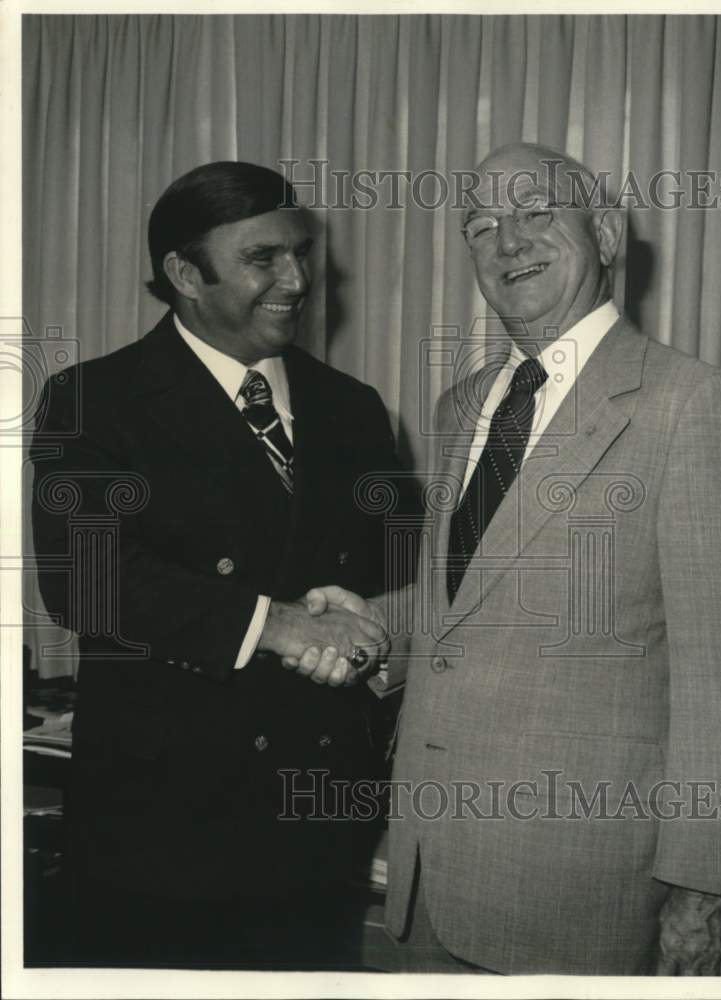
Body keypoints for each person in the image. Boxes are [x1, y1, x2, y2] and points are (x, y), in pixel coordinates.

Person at [301, 143, 721, 974]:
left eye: (535, 214)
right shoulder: (464, 403)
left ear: (603, 233)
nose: (507, 243)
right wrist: (368, 619)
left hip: (587, 898)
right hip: (429, 875)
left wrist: (705, 895)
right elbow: (468, 604)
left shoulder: (695, 404)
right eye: (481, 226)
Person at [30, 161, 408, 969]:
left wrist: (359, 615)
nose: (298, 280)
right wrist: (280, 624)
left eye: (301, 254)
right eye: (263, 259)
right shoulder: (94, 400)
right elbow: (85, 579)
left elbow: (394, 564)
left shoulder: (354, 406)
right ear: (184, 274)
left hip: (316, 823)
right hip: (162, 836)